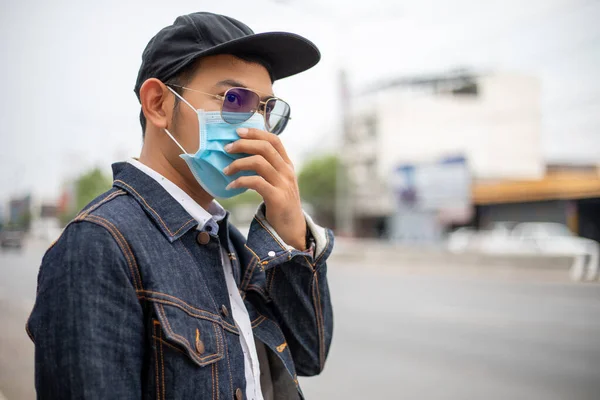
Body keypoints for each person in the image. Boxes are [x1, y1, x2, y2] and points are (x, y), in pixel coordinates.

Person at [26, 12, 334, 400]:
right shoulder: (99, 245)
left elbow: (308, 355)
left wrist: (289, 228)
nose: (255, 127)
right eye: (234, 99)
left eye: (267, 108)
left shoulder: (230, 246)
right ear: (158, 104)